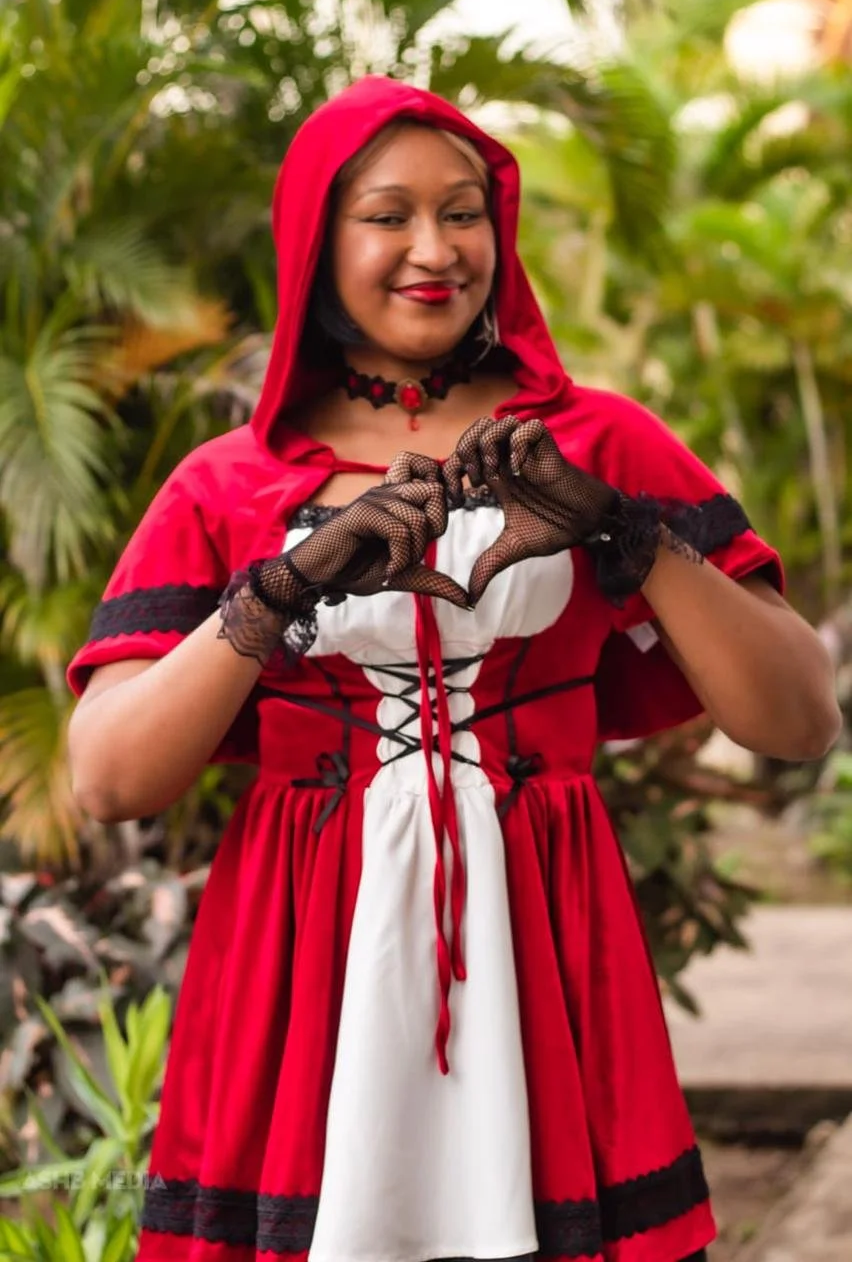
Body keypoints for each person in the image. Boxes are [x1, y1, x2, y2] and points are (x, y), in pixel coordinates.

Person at [66, 76, 840, 1262]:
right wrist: (281, 588)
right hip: (299, 951)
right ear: (317, 241)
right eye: (387, 215)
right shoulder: (226, 483)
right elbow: (110, 778)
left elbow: (796, 717)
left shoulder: (597, 441)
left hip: (547, 937)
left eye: (465, 210)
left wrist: (628, 536)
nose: (435, 248)